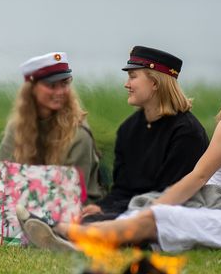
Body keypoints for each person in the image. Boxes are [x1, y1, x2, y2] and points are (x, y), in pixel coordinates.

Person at [23, 48, 221, 253]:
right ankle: (67, 235)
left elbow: (200, 176)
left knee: (155, 218)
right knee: (150, 219)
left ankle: (63, 231)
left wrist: (156, 206)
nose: (127, 83)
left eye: (132, 76)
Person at [0, 52, 104, 240]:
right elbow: (0, 174)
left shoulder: (78, 134)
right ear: (32, 89)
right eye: (52, 85)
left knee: (22, 212)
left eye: (65, 84)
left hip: (67, 204)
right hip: (20, 199)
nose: (60, 92)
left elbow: (73, 191)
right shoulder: (18, 128)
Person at [82, 46, 208, 222]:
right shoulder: (128, 129)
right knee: (83, 218)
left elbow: (168, 195)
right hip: (132, 210)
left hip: (166, 216)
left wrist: (111, 213)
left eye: (133, 77)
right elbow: (122, 189)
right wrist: (101, 207)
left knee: (88, 225)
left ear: (155, 83)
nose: (127, 84)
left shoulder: (187, 133)